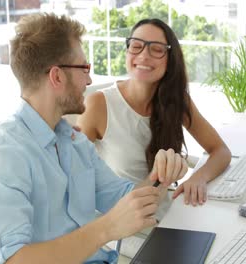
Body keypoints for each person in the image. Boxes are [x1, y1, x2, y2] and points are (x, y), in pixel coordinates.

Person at [0, 13, 187, 264]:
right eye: (83, 68)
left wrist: (161, 173)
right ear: (57, 76)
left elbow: (127, 202)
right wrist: (106, 229)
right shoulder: (0, 153)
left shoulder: (74, 141)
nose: (89, 80)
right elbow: (11, 260)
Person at [77, 18, 231, 208]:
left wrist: (198, 178)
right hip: (123, 226)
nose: (143, 56)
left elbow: (221, 151)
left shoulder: (176, 100)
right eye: (136, 46)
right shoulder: (98, 104)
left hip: (167, 215)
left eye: (156, 49)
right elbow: (75, 180)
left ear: (170, 58)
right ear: (127, 51)